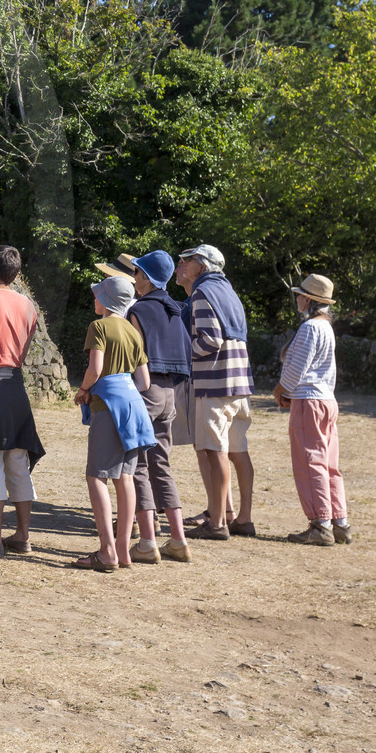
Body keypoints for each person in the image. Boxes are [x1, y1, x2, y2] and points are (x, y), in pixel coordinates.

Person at [70, 275, 154, 572]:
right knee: (125, 478)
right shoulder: (133, 331)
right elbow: (144, 382)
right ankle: (122, 550)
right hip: (134, 407)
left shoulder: (99, 326)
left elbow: (96, 368)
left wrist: (83, 390)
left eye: (97, 294)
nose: (94, 299)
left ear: (105, 299)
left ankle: (106, 551)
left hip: (109, 407)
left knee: (97, 477)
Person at [175, 244, 257, 541]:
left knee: (214, 450)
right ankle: (243, 519)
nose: (182, 264)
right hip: (239, 383)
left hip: (214, 383)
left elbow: (209, 340)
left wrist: (180, 354)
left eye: (189, 260)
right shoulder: (228, 291)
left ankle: (218, 522)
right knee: (238, 451)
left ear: (204, 266)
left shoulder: (202, 292)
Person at [0, 245, 46, 557]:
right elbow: (24, 352)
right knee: (18, 460)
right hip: (15, 384)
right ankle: (23, 535)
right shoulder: (28, 306)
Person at [125, 250, 192, 563]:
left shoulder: (139, 310)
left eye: (137, 273)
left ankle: (148, 541)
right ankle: (178, 540)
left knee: (138, 464)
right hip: (170, 393)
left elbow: (133, 355)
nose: (134, 279)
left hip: (146, 388)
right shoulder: (176, 309)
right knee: (161, 464)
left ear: (147, 278)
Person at [275, 274, 351, 547]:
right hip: (326, 400)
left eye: (300, 294)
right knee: (329, 464)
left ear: (309, 300)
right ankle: (339, 522)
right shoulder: (326, 327)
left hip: (310, 401)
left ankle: (320, 524)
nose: (297, 298)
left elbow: (297, 368)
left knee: (310, 463)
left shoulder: (310, 329)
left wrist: (280, 391)